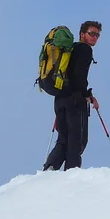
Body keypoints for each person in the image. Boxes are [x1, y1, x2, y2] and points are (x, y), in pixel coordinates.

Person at [43, 21, 101, 171]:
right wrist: (86, 95)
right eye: (92, 34)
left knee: (63, 139)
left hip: (60, 99)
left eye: (97, 35)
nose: (95, 37)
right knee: (77, 141)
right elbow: (79, 77)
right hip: (75, 101)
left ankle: (49, 169)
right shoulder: (84, 50)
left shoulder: (70, 49)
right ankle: (71, 176)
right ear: (82, 34)